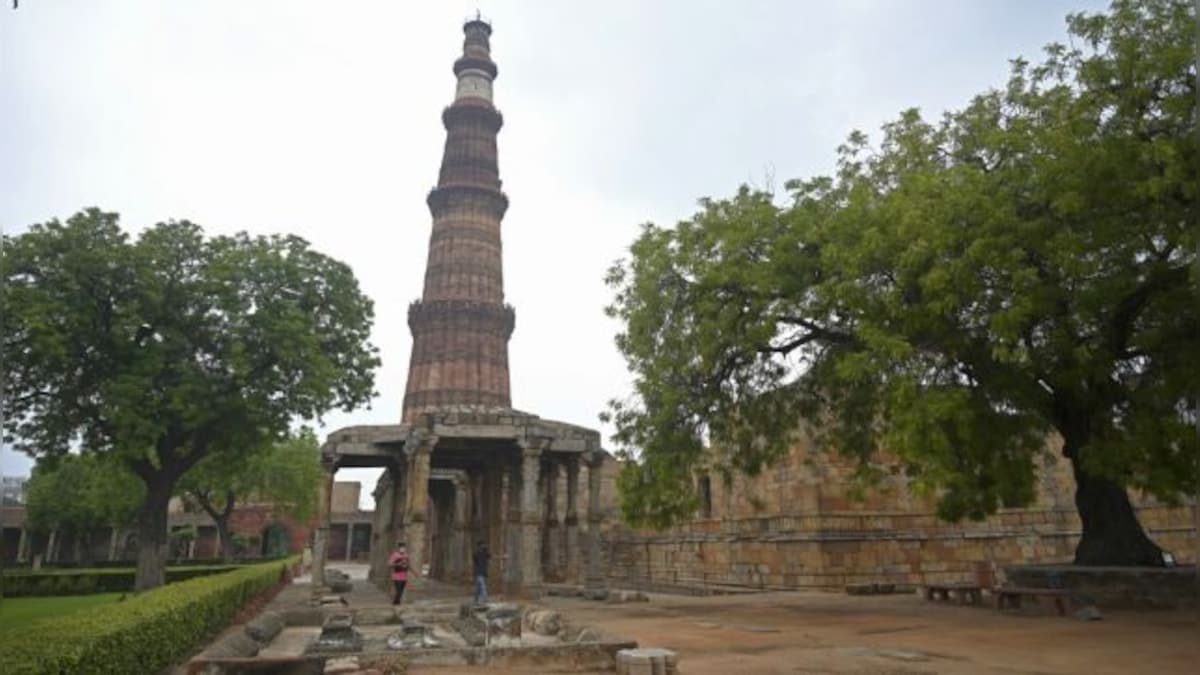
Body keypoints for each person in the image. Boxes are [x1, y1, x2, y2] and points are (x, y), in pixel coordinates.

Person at [388, 541, 409, 606]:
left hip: (404, 575)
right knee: (398, 590)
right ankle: (395, 603)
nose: (403, 549)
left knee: (401, 591)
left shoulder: (406, 555)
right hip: (397, 575)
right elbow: (390, 564)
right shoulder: (395, 555)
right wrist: (398, 564)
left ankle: (397, 602)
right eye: (401, 548)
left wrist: (407, 565)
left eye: (404, 548)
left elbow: (408, 563)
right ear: (399, 548)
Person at [472, 541, 491, 606]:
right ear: (479, 546)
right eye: (482, 546)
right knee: (483, 586)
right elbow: (476, 559)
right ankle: (484, 599)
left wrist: (502, 557)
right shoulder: (476, 554)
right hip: (478, 573)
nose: (483, 547)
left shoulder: (485, 553)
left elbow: (491, 557)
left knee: (478, 588)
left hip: (484, 572)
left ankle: (476, 600)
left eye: (484, 546)